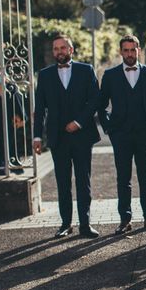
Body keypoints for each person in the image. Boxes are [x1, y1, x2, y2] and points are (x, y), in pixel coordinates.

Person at [33, 35, 100, 239]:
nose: (59, 52)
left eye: (63, 48)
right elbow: (40, 108)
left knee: (83, 181)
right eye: (56, 49)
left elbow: (94, 100)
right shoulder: (44, 75)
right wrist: (37, 136)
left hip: (82, 135)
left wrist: (79, 122)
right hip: (57, 137)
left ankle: (85, 224)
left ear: (71, 50)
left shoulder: (86, 70)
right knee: (62, 182)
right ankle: (65, 224)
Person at [98, 35, 146, 235]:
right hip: (121, 135)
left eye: (132, 50)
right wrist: (109, 127)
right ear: (120, 52)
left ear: (139, 50)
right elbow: (101, 105)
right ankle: (125, 219)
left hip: (145, 133)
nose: (129, 54)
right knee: (123, 178)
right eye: (125, 50)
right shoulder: (110, 76)